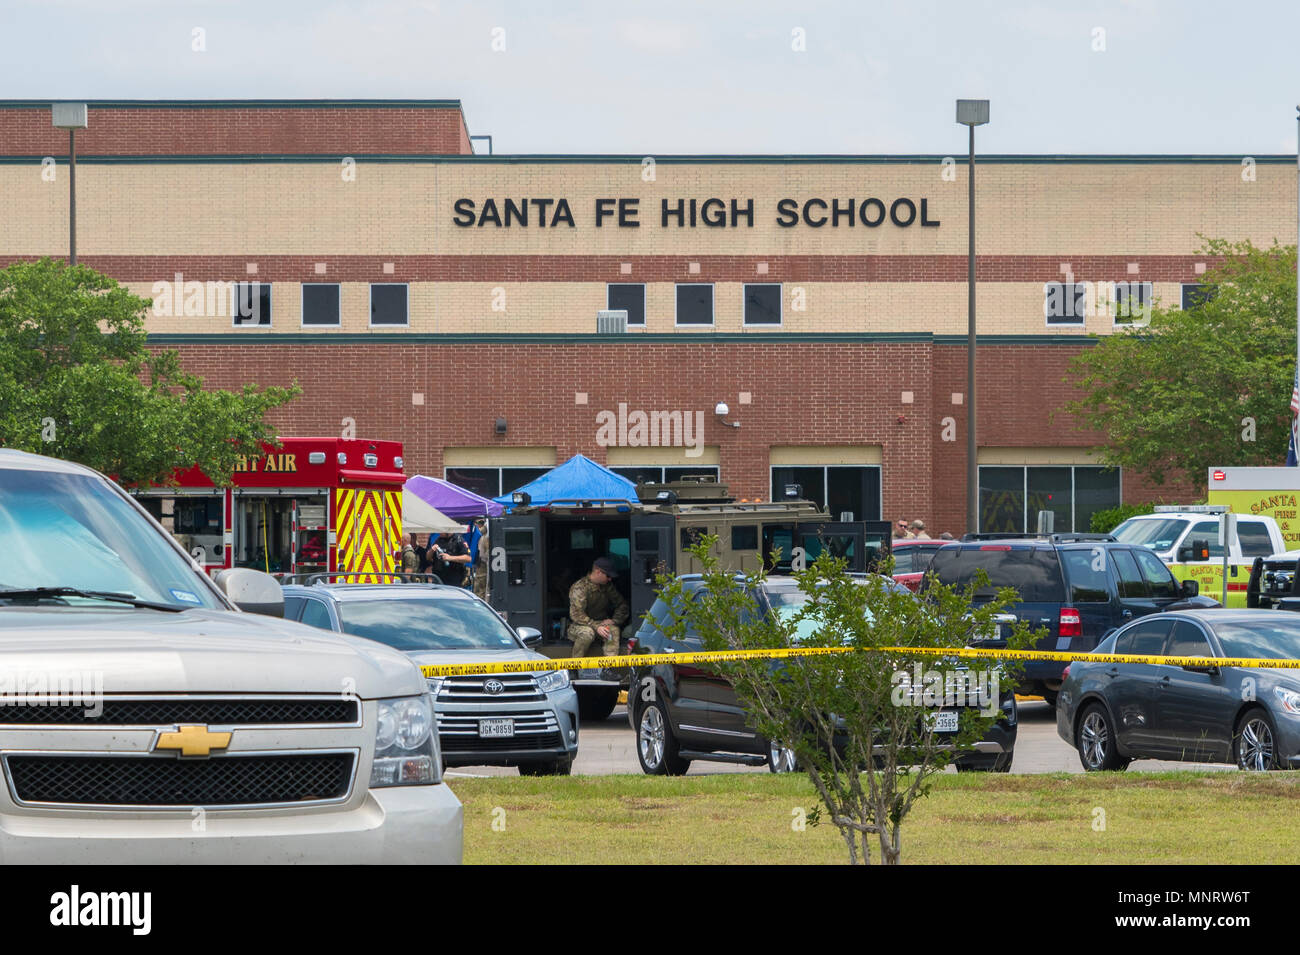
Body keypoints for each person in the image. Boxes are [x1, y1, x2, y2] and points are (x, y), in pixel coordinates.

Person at [567, 556, 629, 659]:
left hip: (600, 623)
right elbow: (576, 614)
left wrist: (614, 620)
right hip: (579, 625)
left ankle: (609, 669)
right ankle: (574, 668)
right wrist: (596, 626)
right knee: (587, 633)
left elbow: (622, 605)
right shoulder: (580, 587)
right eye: (608, 575)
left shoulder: (607, 586)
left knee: (613, 631)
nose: (610, 579)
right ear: (598, 572)